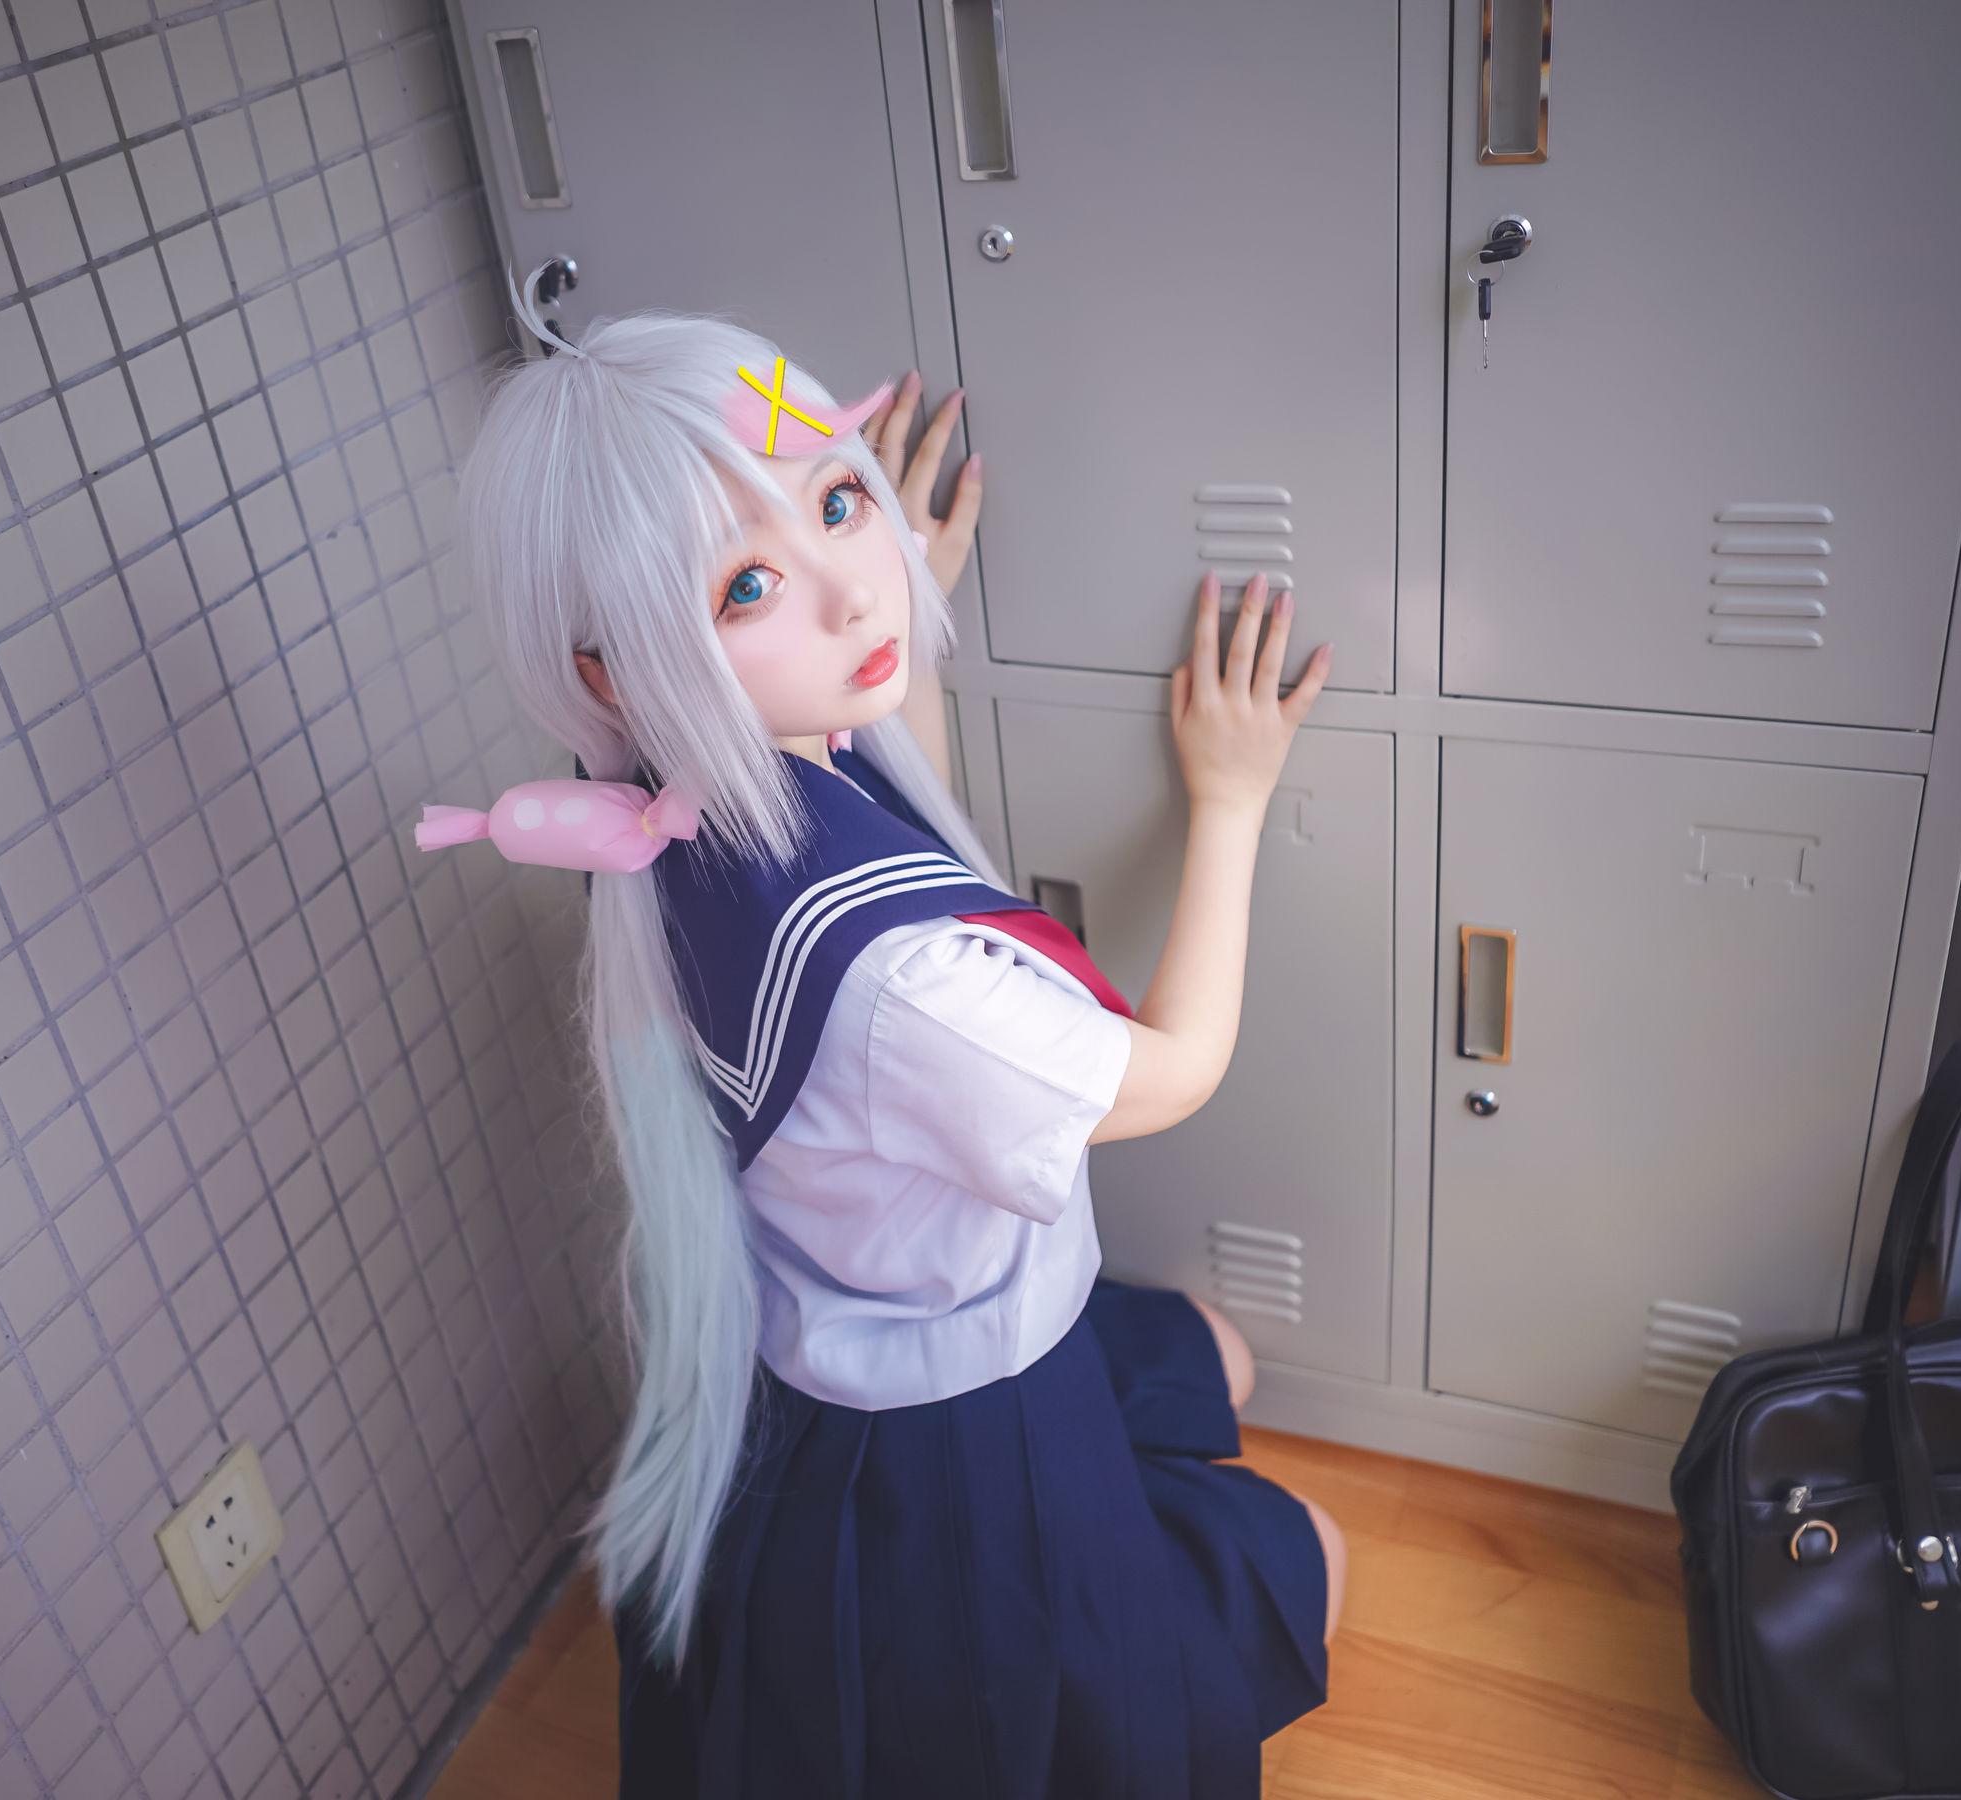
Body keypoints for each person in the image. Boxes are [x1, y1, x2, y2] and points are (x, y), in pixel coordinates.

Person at [420, 265, 1341, 1797]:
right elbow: (1173, 1067)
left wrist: (887, 576)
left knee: (1220, 1357)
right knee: (1309, 1558)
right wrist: (1231, 799)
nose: (855, 595)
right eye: (746, 588)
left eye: (837, 505)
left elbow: (889, 831)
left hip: (831, 1347)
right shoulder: (906, 992)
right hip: (965, 1454)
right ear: (613, 671)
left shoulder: (664, 807)